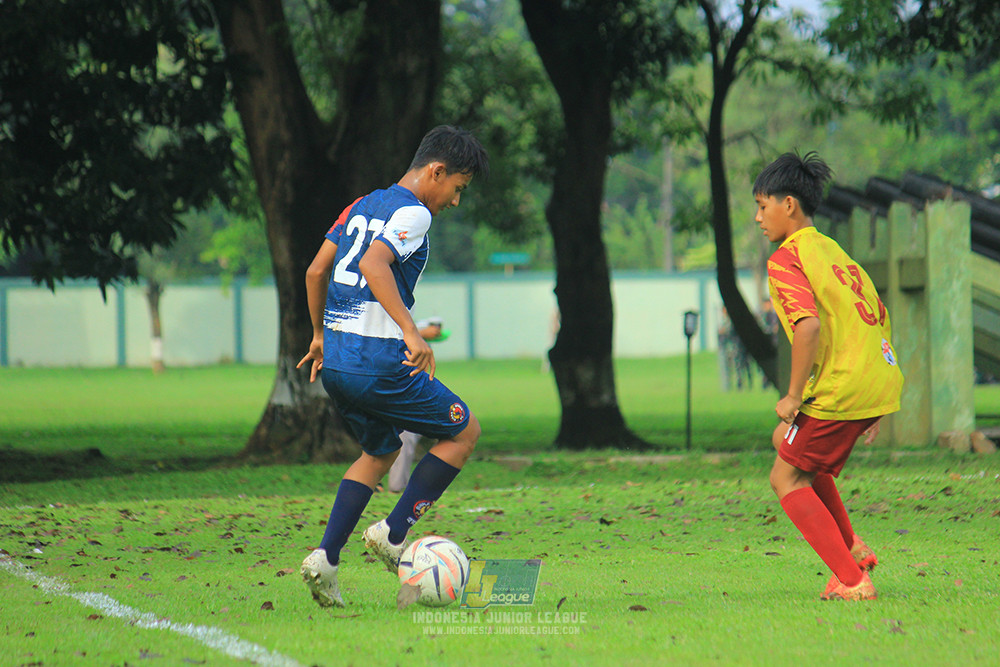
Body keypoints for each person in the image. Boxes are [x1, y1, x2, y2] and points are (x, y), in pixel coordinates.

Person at [296, 126, 489, 608]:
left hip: (337, 363)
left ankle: (325, 558)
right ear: (436, 172)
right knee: (463, 431)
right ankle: (392, 531)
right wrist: (409, 330)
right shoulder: (415, 212)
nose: (455, 201)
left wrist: (319, 336)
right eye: (458, 188)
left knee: (378, 451)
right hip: (378, 362)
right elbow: (375, 266)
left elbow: (316, 271)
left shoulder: (359, 206)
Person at [753, 151, 904, 601]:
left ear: (789, 206)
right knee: (788, 443)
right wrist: (875, 399)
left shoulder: (786, 259)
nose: (759, 217)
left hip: (844, 384)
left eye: (763, 206)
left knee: (785, 479)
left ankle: (853, 582)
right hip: (877, 375)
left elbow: (808, 327)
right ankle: (852, 547)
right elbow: (878, 315)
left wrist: (793, 395)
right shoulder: (833, 251)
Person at [387, 317, 445, 494]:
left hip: (416, 390)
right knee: (405, 437)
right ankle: (397, 487)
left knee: (453, 431)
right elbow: (384, 336)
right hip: (395, 388)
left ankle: (426, 486)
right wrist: (419, 333)